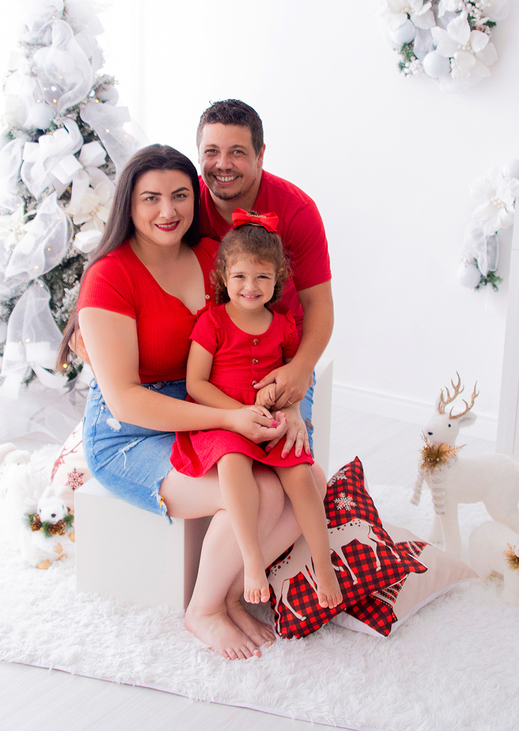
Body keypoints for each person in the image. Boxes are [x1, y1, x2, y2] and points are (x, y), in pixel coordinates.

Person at [56, 144, 323, 660]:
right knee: (256, 493)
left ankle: (229, 593)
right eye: (150, 198)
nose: (168, 211)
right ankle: (202, 609)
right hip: (132, 432)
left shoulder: (209, 257)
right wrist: (230, 418)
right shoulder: (109, 277)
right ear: (128, 206)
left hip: (209, 411)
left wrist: (287, 404)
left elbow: (260, 342)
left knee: (309, 479)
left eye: (180, 195)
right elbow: (128, 401)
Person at [171, 210, 342, 611]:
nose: (251, 287)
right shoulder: (211, 323)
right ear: (224, 277)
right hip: (223, 420)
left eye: (263, 278)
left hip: (271, 418)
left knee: (301, 474)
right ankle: (251, 560)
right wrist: (238, 414)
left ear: (277, 279)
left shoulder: (283, 326)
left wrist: (290, 408)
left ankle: (323, 561)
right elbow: (196, 384)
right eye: (241, 277)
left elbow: (293, 381)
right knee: (233, 462)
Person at [195, 100, 334, 430]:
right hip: (213, 358)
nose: (223, 164)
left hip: (278, 359)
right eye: (211, 151)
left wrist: (300, 368)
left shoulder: (297, 211)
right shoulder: (184, 204)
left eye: (238, 152)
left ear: (260, 155)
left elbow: (320, 305)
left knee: (291, 455)